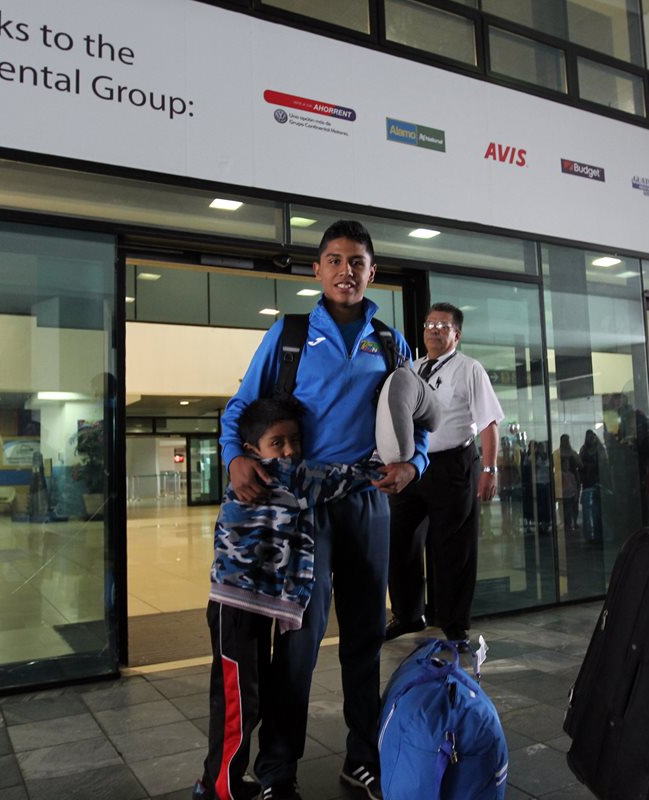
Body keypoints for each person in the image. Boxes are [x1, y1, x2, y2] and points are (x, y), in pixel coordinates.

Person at [218, 220, 427, 800]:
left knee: (364, 638)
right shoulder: (288, 335)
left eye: (356, 261)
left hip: (367, 502)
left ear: (371, 272)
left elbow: (422, 421)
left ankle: (363, 757)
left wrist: (416, 465)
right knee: (300, 641)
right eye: (334, 259)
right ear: (317, 269)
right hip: (299, 507)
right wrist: (235, 457)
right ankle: (278, 769)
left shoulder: (390, 342)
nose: (345, 271)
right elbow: (239, 407)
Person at [197, 396, 384, 800]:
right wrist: (386, 465)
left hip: (246, 600)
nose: (289, 450)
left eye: (294, 441)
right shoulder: (293, 475)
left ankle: (226, 779)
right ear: (251, 451)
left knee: (245, 692)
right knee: (238, 698)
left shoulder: (248, 475)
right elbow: (344, 476)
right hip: (237, 603)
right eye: (277, 442)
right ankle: (217, 786)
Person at [385, 302, 504, 646]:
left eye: (443, 325)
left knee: (453, 548)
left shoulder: (469, 369)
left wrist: (489, 469)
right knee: (400, 541)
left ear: (457, 334)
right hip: (411, 467)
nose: (435, 329)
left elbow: (488, 423)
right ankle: (408, 614)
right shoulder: (410, 368)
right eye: (429, 324)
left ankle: (454, 623)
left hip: (453, 464)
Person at [578, 429, 604, 544]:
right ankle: (590, 533)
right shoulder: (584, 450)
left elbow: (604, 464)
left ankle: (598, 532)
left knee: (598, 509)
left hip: (598, 480)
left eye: (592, 436)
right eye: (589, 437)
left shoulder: (600, 449)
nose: (591, 439)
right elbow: (580, 465)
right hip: (588, 482)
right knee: (588, 509)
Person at [555, 433, 582, 531]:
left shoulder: (573, 453)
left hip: (573, 479)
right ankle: (565, 522)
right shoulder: (557, 453)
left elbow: (580, 464)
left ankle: (573, 521)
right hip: (562, 480)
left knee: (574, 502)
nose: (566, 443)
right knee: (563, 503)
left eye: (567, 440)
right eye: (564, 440)